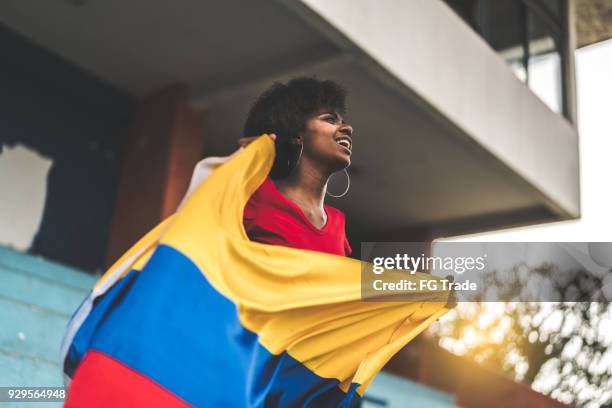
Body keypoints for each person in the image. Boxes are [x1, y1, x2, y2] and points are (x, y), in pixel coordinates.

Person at [239, 77, 353, 257]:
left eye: (342, 121)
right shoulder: (252, 197)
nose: (348, 128)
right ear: (295, 134)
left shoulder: (338, 224)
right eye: (330, 119)